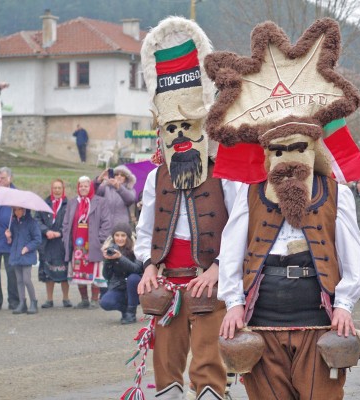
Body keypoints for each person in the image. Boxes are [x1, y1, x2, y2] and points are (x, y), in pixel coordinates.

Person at [206, 18, 360, 399]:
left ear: (313, 151)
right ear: (266, 156)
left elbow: (351, 251)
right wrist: (232, 304)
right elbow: (232, 250)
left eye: (298, 149)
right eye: (278, 151)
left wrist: (344, 304)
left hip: (318, 319)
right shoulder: (250, 194)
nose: (288, 159)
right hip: (261, 320)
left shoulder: (335, 193)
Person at [132, 16, 239, 400]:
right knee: (166, 370)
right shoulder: (153, 179)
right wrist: (147, 266)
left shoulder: (226, 174)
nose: (179, 137)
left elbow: (239, 228)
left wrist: (216, 269)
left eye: (188, 127)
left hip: (211, 280)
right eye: (170, 128)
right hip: (167, 284)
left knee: (209, 368)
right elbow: (145, 231)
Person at [62, 176, 112, 309]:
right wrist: (66, 236)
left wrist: (100, 239)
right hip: (77, 243)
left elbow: (107, 222)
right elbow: (66, 222)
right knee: (79, 270)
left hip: (93, 243)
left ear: (91, 187)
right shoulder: (73, 203)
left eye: (86, 186)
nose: (83, 188)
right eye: (81, 186)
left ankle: (95, 299)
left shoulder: (100, 202)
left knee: (94, 271)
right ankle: (84, 299)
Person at [35, 179, 72, 308]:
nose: (57, 190)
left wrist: (60, 233)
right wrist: (46, 231)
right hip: (48, 243)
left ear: (63, 189)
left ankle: (66, 298)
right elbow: (37, 220)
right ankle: (49, 299)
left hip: (62, 243)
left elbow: (70, 222)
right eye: (55, 188)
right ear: (51, 189)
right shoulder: (44, 204)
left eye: (59, 188)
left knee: (64, 273)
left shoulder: (69, 205)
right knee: (48, 271)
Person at [100, 223, 143, 324]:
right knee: (105, 303)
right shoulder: (110, 250)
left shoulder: (136, 249)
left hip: (136, 289)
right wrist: (107, 261)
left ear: (128, 236)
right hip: (119, 287)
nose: (120, 238)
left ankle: (131, 314)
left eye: (123, 235)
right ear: (113, 237)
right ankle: (126, 311)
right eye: (117, 235)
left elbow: (136, 269)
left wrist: (120, 258)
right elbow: (107, 276)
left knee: (133, 278)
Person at [5, 207, 42, 314]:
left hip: (27, 255)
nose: (18, 212)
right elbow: (12, 242)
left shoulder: (32, 222)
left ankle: (33, 302)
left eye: (20, 209)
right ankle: (22, 303)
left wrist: (27, 248)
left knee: (26, 279)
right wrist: (8, 237)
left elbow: (37, 239)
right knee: (19, 280)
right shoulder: (13, 223)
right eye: (15, 210)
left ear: (25, 210)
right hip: (16, 255)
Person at [0, 166, 19, 310]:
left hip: (11, 241)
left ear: (9, 178)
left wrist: (12, 232)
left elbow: (22, 217)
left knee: (12, 273)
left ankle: (14, 301)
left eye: (2, 178)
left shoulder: (17, 195)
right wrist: (1, 231)